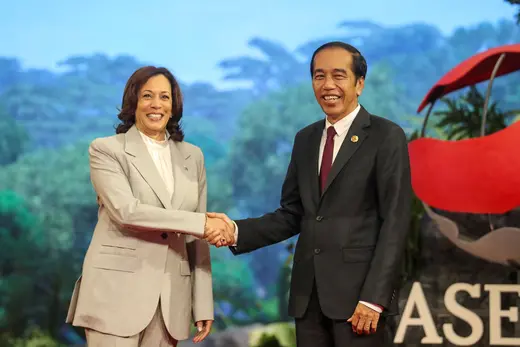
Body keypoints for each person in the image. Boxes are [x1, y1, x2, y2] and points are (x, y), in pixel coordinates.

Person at [206, 42, 412, 346]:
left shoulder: (386, 136)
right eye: (319, 76)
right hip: (308, 299)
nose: (328, 85)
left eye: (339, 75)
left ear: (359, 84)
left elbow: (395, 220)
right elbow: (292, 214)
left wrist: (374, 299)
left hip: (358, 302)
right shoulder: (306, 139)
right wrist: (235, 230)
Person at [66, 66, 230, 347]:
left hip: (171, 301)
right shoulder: (106, 149)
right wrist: (202, 223)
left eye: (164, 97)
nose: (157, 105)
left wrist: (202, 302)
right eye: (147, 96)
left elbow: (196, 239)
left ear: (174, 105)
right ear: (133, 102)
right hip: (116, 296)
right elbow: (127, 212)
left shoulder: (193, 156)